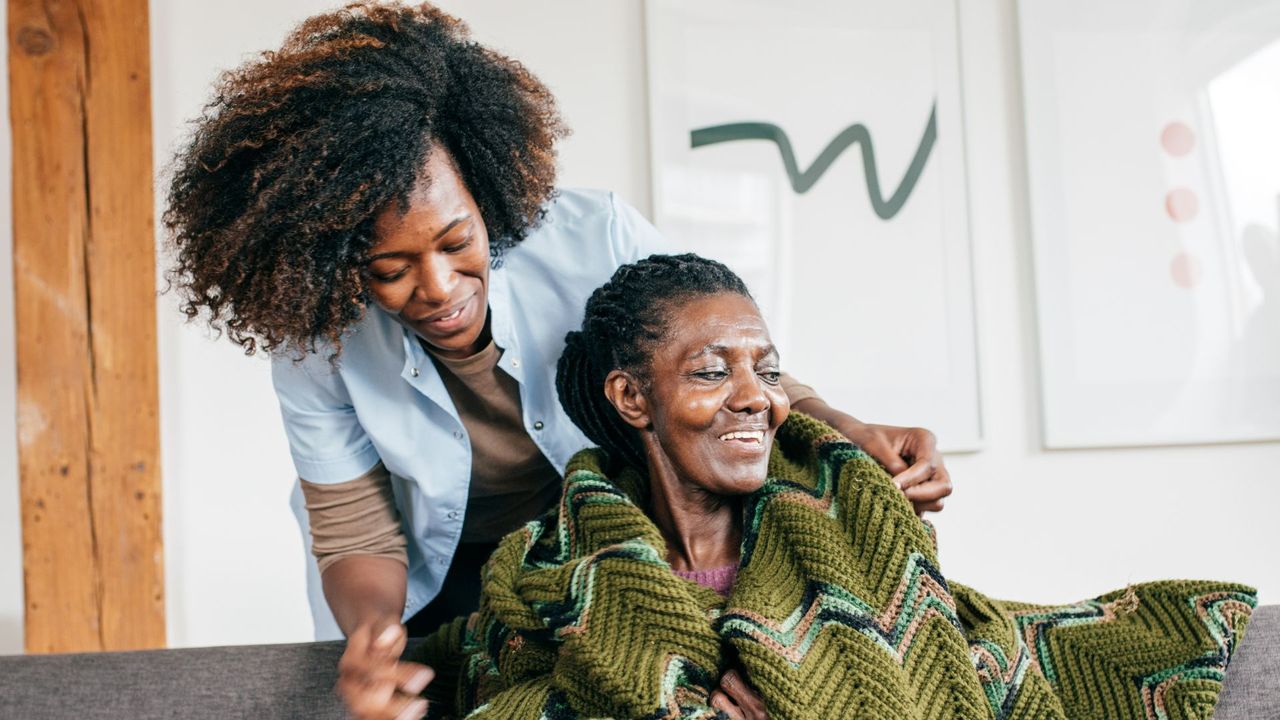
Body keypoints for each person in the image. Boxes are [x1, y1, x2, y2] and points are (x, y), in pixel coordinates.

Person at [162, 0, 950, 711]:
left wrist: (845, 425)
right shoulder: (319, 340)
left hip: (600, 533)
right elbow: (354, 529)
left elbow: (715, 354)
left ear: (484, 189)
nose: (436, 288)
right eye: (390, 271)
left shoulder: (593, 238)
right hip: (450, 569)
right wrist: (375, 636)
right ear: (336, 266)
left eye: (455, 241)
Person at [376, 254, 1252, 720]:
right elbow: (507, 690)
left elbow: (925, 669)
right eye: (713, 370)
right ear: (633, 397)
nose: (756, 395)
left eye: (768, 368)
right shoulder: (555, 570)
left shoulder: (851, 514)